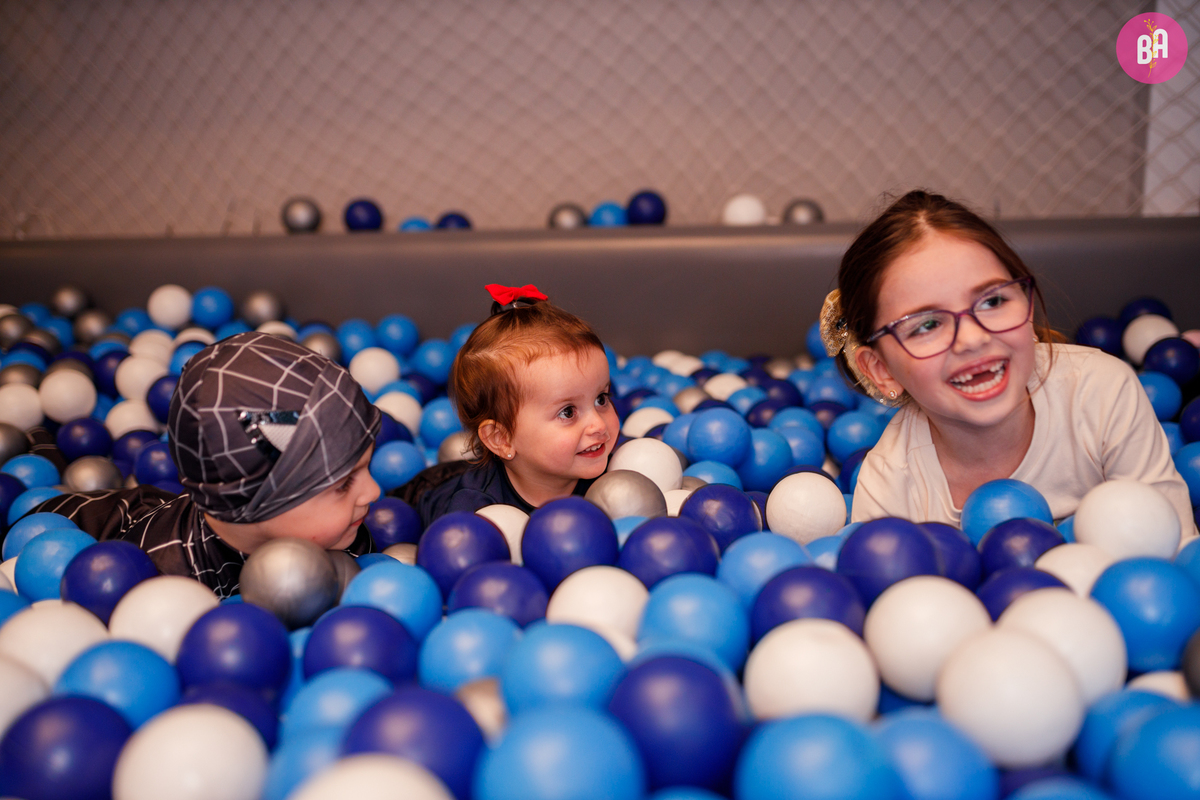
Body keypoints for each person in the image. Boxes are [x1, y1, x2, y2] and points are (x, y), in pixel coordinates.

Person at [822, 189, 1196, 537]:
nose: (973, 338)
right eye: (928, 325)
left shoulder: (1101, 393)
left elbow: (1175, 550)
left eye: (993, 301)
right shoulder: (890, 487)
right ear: (882, 369)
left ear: (1028, 305)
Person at [28, 331, 382, 597]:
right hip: (54, 528)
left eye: (367, 464)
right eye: (343, 484)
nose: (375, 491)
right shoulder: (164, 582)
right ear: (254, 506)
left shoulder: (342, 529)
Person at [397, 283, 619, 526]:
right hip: (425, 490)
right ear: (501, 439)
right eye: (567, 412)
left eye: (601, 399)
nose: (598, 424)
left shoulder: (622, 469)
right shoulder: (474, 513)